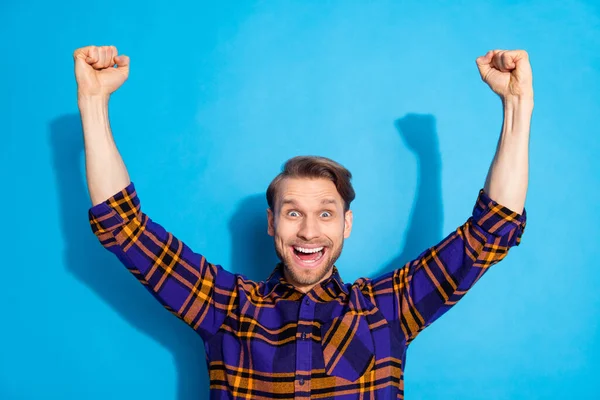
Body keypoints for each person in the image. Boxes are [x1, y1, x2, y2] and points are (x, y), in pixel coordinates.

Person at [74, 44, 532, 399]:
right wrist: (94, 104)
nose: (310, 231)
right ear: (271, 224)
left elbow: (490, 230)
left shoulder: (387, 310)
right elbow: (124, 227)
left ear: (346, 225)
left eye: (325, 214)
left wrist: (517, 107)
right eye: (293, 213)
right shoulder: (227, 308)